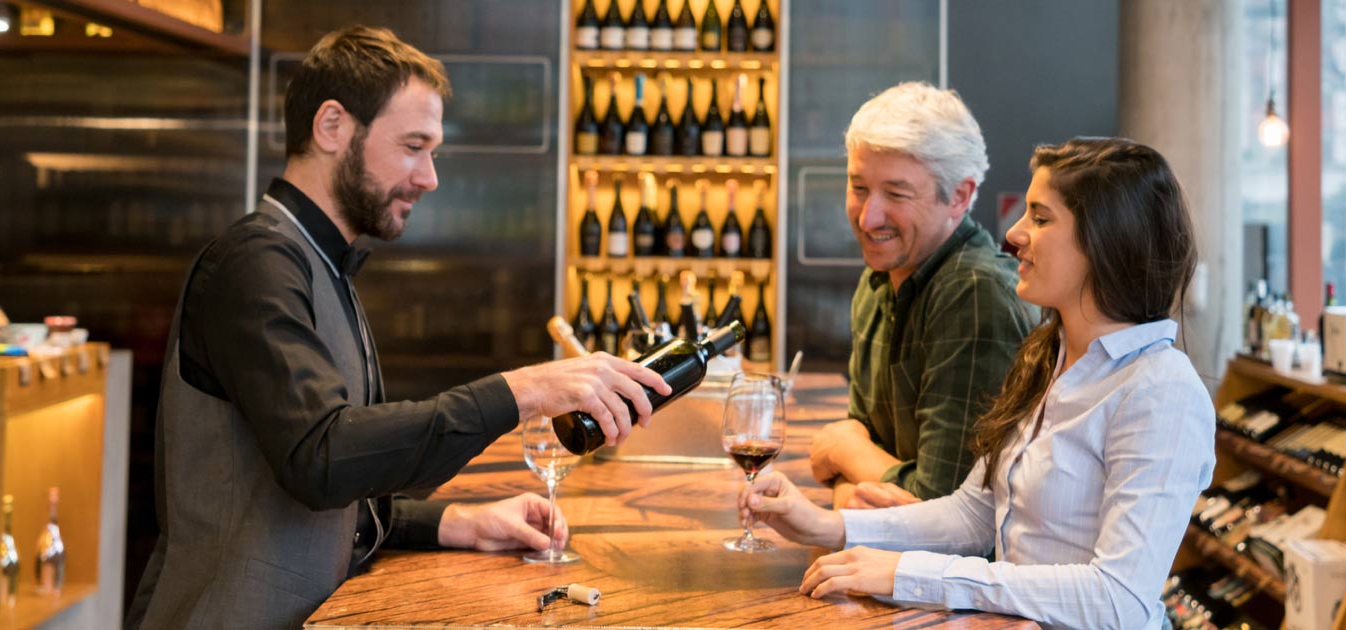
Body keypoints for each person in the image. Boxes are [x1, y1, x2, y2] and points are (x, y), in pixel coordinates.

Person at [125, 26, 671, 630]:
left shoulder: (320, 263)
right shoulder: (254, 262)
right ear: (332, 126)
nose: (429, 176)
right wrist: (524, 391)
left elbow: (339, 483)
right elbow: (322, 456)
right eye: (414, 146)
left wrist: (452, 522)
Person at [746, 137, 1214, 629]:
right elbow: (973, 513)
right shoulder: (1045, 356)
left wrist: (910, 573)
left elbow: (1118, 599)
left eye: (1040, 217)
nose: (1014, 233)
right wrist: (828, 526)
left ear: (1106, 240)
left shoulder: (1161, 391)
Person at [809, 82, 1038, 508]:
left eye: (896, 194)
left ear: (959, 196)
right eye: (858, 188)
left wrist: (845, 452)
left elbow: (940, 510)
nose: (867, 215)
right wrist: (852, 477)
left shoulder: (973, 293)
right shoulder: (879, 280)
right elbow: (856, 485)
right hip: (886, 567)